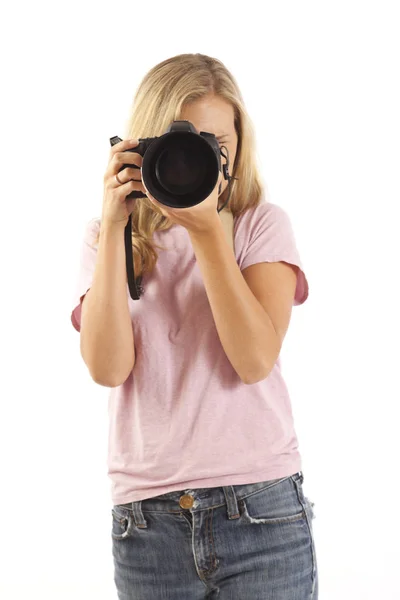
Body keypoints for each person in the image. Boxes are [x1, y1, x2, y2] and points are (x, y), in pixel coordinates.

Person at [71, 53, 318, 599]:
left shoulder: (258, 224)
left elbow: (254, 360)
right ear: (142, 148)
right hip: (147, 519)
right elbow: (108, 369)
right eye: (180, 145)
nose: (196, 159)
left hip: (259, 510)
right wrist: (115, 227)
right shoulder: (109, 238)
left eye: (214, 146)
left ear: (235, 150)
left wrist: (209, 233)